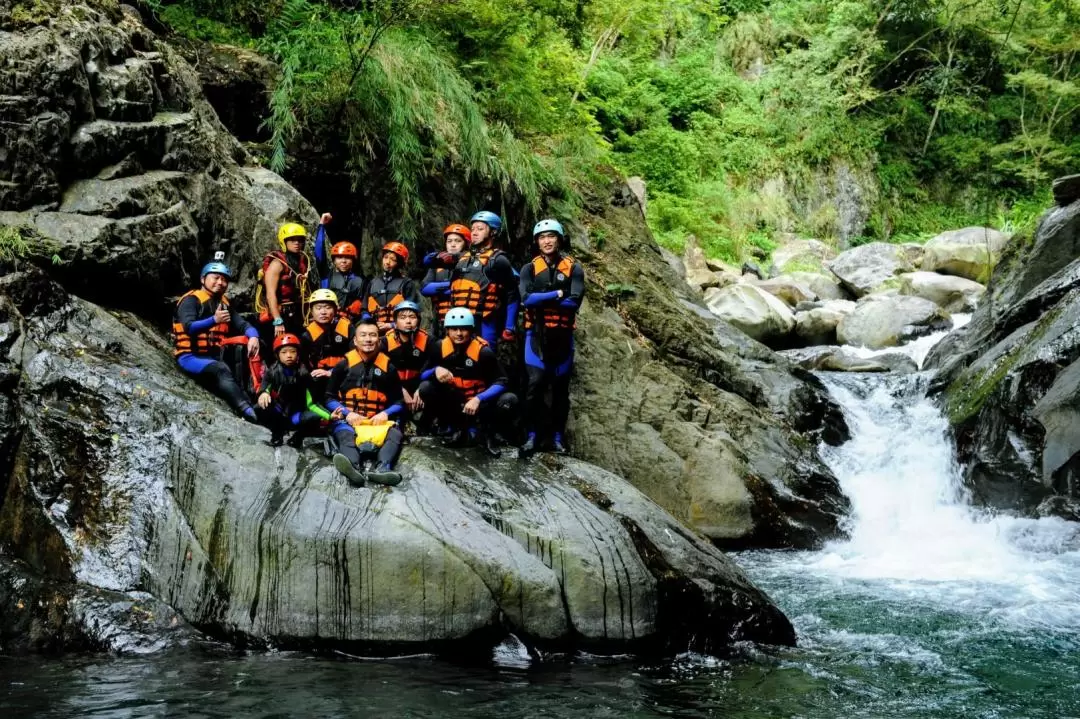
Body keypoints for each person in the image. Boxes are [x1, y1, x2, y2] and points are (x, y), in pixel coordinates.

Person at [518, 219, 584, 457]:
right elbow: (526, 299)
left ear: (559, 239)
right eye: (542, 237)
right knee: (534, 385)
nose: (547, 241)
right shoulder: (529, 269)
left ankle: (556, 438)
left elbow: (574, 301)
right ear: (537, 242)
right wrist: (557, 294)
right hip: (535, 336)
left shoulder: (573, 268)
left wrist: (542, 298)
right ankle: (531, 436)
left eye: (551, 236)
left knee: (559, 390)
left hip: (562, 337)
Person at [417, 307, 517, 457]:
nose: (459, 333)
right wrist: (436, 370)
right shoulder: (439, 348)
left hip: (480, 404)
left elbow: (502, 381)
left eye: (463, 329)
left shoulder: (483, 352)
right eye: (454, 329)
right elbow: (422, 375)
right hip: (455, 403)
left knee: (509, 400)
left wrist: (479, 399)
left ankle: (489, 433)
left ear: (471, 330)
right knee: (426, 388)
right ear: (447, 331)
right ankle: (452, 426)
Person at [173, 261, 261, 422]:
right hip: (190, 357)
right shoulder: (191, 300)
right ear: (202, 279)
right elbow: (188, 327)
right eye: (215, 278)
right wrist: (214, 319)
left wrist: (253, 336)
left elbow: (243, 324)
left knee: (242, 352)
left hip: (213, 357)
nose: (220, 282)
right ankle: (248, 412)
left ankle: (254, 401)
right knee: (221, 370)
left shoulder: (224, 303)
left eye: (224, 280)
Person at [325, 318, 406, 487]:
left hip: (376, 422)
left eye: (372, 335)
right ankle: (353, 467)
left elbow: (399, 401)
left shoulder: (388, 367)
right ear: (355, 340)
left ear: (379, 339)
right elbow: (329, 397)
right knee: (345, 434)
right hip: (350, 422)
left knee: (395, 433)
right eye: (363, 335)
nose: (368, 339)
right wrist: (348, 414)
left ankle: (382, 469)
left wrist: (385, 413)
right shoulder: (343, 365)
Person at [448, 211, 520, 348]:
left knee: (484, 364)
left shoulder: (498, 260)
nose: (474, 233)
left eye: (480, 229)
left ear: (493, 232)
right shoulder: (462, 258)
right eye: (473, 229)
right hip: (457, 322)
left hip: (484, 322)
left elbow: (513, 294)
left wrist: (510, 326)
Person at [256, 333, 332, 447]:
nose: (289, 355)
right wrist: (263, 393)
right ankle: (277, 434)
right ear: (277, 355)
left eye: (293, 351)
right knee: (260, 407)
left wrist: (329, 416)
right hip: (278, 413)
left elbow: (312, 403)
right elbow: (264, 387)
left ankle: (298, 437)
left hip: (295, 416)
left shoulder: (303, 374)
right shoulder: (272, 372)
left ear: (298, 354)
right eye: (284, 352)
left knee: (314, 417)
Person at [380, 300, 435, 425]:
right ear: (395, 322)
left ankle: (426, 422)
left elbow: (435, 366)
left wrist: (420, 389)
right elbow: (382, 373)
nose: (408, 321)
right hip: (395, 386)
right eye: (402, 317)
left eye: (412, 317)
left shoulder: (429, 340)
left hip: (417, 385)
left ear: (418, 320)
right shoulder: (385, 342)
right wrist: (402, 391)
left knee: (429, 387)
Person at [259, 221, 311, 338]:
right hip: (282, 311)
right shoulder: (277, 263)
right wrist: (278, 320)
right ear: (284, 241)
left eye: (300, 240)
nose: (297, 243)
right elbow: (270, 294)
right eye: (292, 240)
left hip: (298, 311)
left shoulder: (303, 260)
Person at [312, 212, 366, 320]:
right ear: (334, 260)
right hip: (327, 319)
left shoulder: (359, 281)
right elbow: (319, 252)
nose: (344, 261)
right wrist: (322, 224)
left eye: (347, 258)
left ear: (353, 260)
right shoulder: (327, 274)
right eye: (340, 258)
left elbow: (364, 305)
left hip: (348, 321)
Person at [301, 288, 352, 400]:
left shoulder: (347, 328)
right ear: (312, 311)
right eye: (318, 308)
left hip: (346, 374)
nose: (323, 312)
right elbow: (303, 362)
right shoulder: (307, 335)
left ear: (335, 309)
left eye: (328, 307)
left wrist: (332, 372)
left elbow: (357, 355)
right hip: (320, 378)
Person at [421, 224, 470, 337]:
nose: (453, 244)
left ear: (466, 243)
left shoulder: (471, 263)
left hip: (463, 321)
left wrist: (438, 288)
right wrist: (452, 287)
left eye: (457, 241)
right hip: (439, 321)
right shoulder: (437, 264)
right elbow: (425, 289)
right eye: (449, 241)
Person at [365, 241, 417, 334]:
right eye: (385, 258)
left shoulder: (407, 283)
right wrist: (371, 323)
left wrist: (391, 325)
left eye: (393, 259)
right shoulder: (372, 283)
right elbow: (364, 309)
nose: (387, 262)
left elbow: (413, 312)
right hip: (374, 330)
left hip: (398, 331)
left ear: (399, 263)